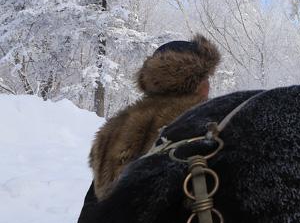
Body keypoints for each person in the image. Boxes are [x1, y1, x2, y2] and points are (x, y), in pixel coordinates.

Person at [89, 35, 221, 200]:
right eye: (206, 77)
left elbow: (93, 204)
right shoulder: (202, 123)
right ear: (194, 80)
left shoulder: (111, 130)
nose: (209, 85)